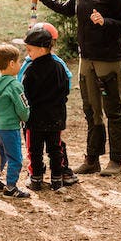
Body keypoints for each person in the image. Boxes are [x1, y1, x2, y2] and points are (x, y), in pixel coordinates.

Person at [35, 0, 121, 177]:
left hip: (108, 60)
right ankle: (92, 159)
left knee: (113, 110)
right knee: (91, 109)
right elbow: (69, 8)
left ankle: (116, 161)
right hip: (86, 57)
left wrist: (106, 22)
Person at [18, 22, 77, 187]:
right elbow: (65, 89)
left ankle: (36, 177)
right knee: (55, 149)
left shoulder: (30, 70)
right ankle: (57, 178)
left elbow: (24, 92)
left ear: (42, 49)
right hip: (56, 118)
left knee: (34, 150)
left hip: (35, 119)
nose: (28, 54)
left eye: (30, 50)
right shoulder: (59, 67)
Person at [0, 43, 31, 198]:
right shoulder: (15, 85)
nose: (19, 65)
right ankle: (11, 187)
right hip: (10, 127)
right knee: (15, 158)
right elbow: (22, 108)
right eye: (18, 62)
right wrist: (26, 117)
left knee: (0, 154)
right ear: (11, 63)